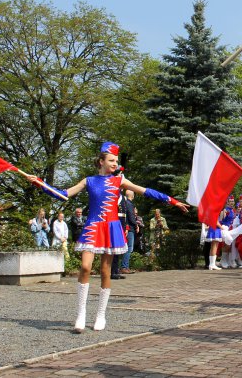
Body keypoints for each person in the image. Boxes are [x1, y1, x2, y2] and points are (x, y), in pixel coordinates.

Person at [27, 141, 189, 332]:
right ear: (101, 161)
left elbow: (146, 191)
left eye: (116, 160)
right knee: (85, 267)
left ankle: (101, 315)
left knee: (105, 271)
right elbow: (63, 194)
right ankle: (80, 314)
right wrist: (40, 183)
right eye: (111, 160)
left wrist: (173, 201)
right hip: (93, 227)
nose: (115, 163)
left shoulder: (119, 181)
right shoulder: (88, 181)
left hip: (111, 228)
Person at [119, 190, 139, 274]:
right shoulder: (129, 204)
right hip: (129, 228)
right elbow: (131, 217)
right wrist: (136, 225)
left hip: (122, 227)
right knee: (129, 248)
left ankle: (122, 267)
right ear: (133, 196)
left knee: (122, 248)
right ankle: (124, 267)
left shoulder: (123, 203)